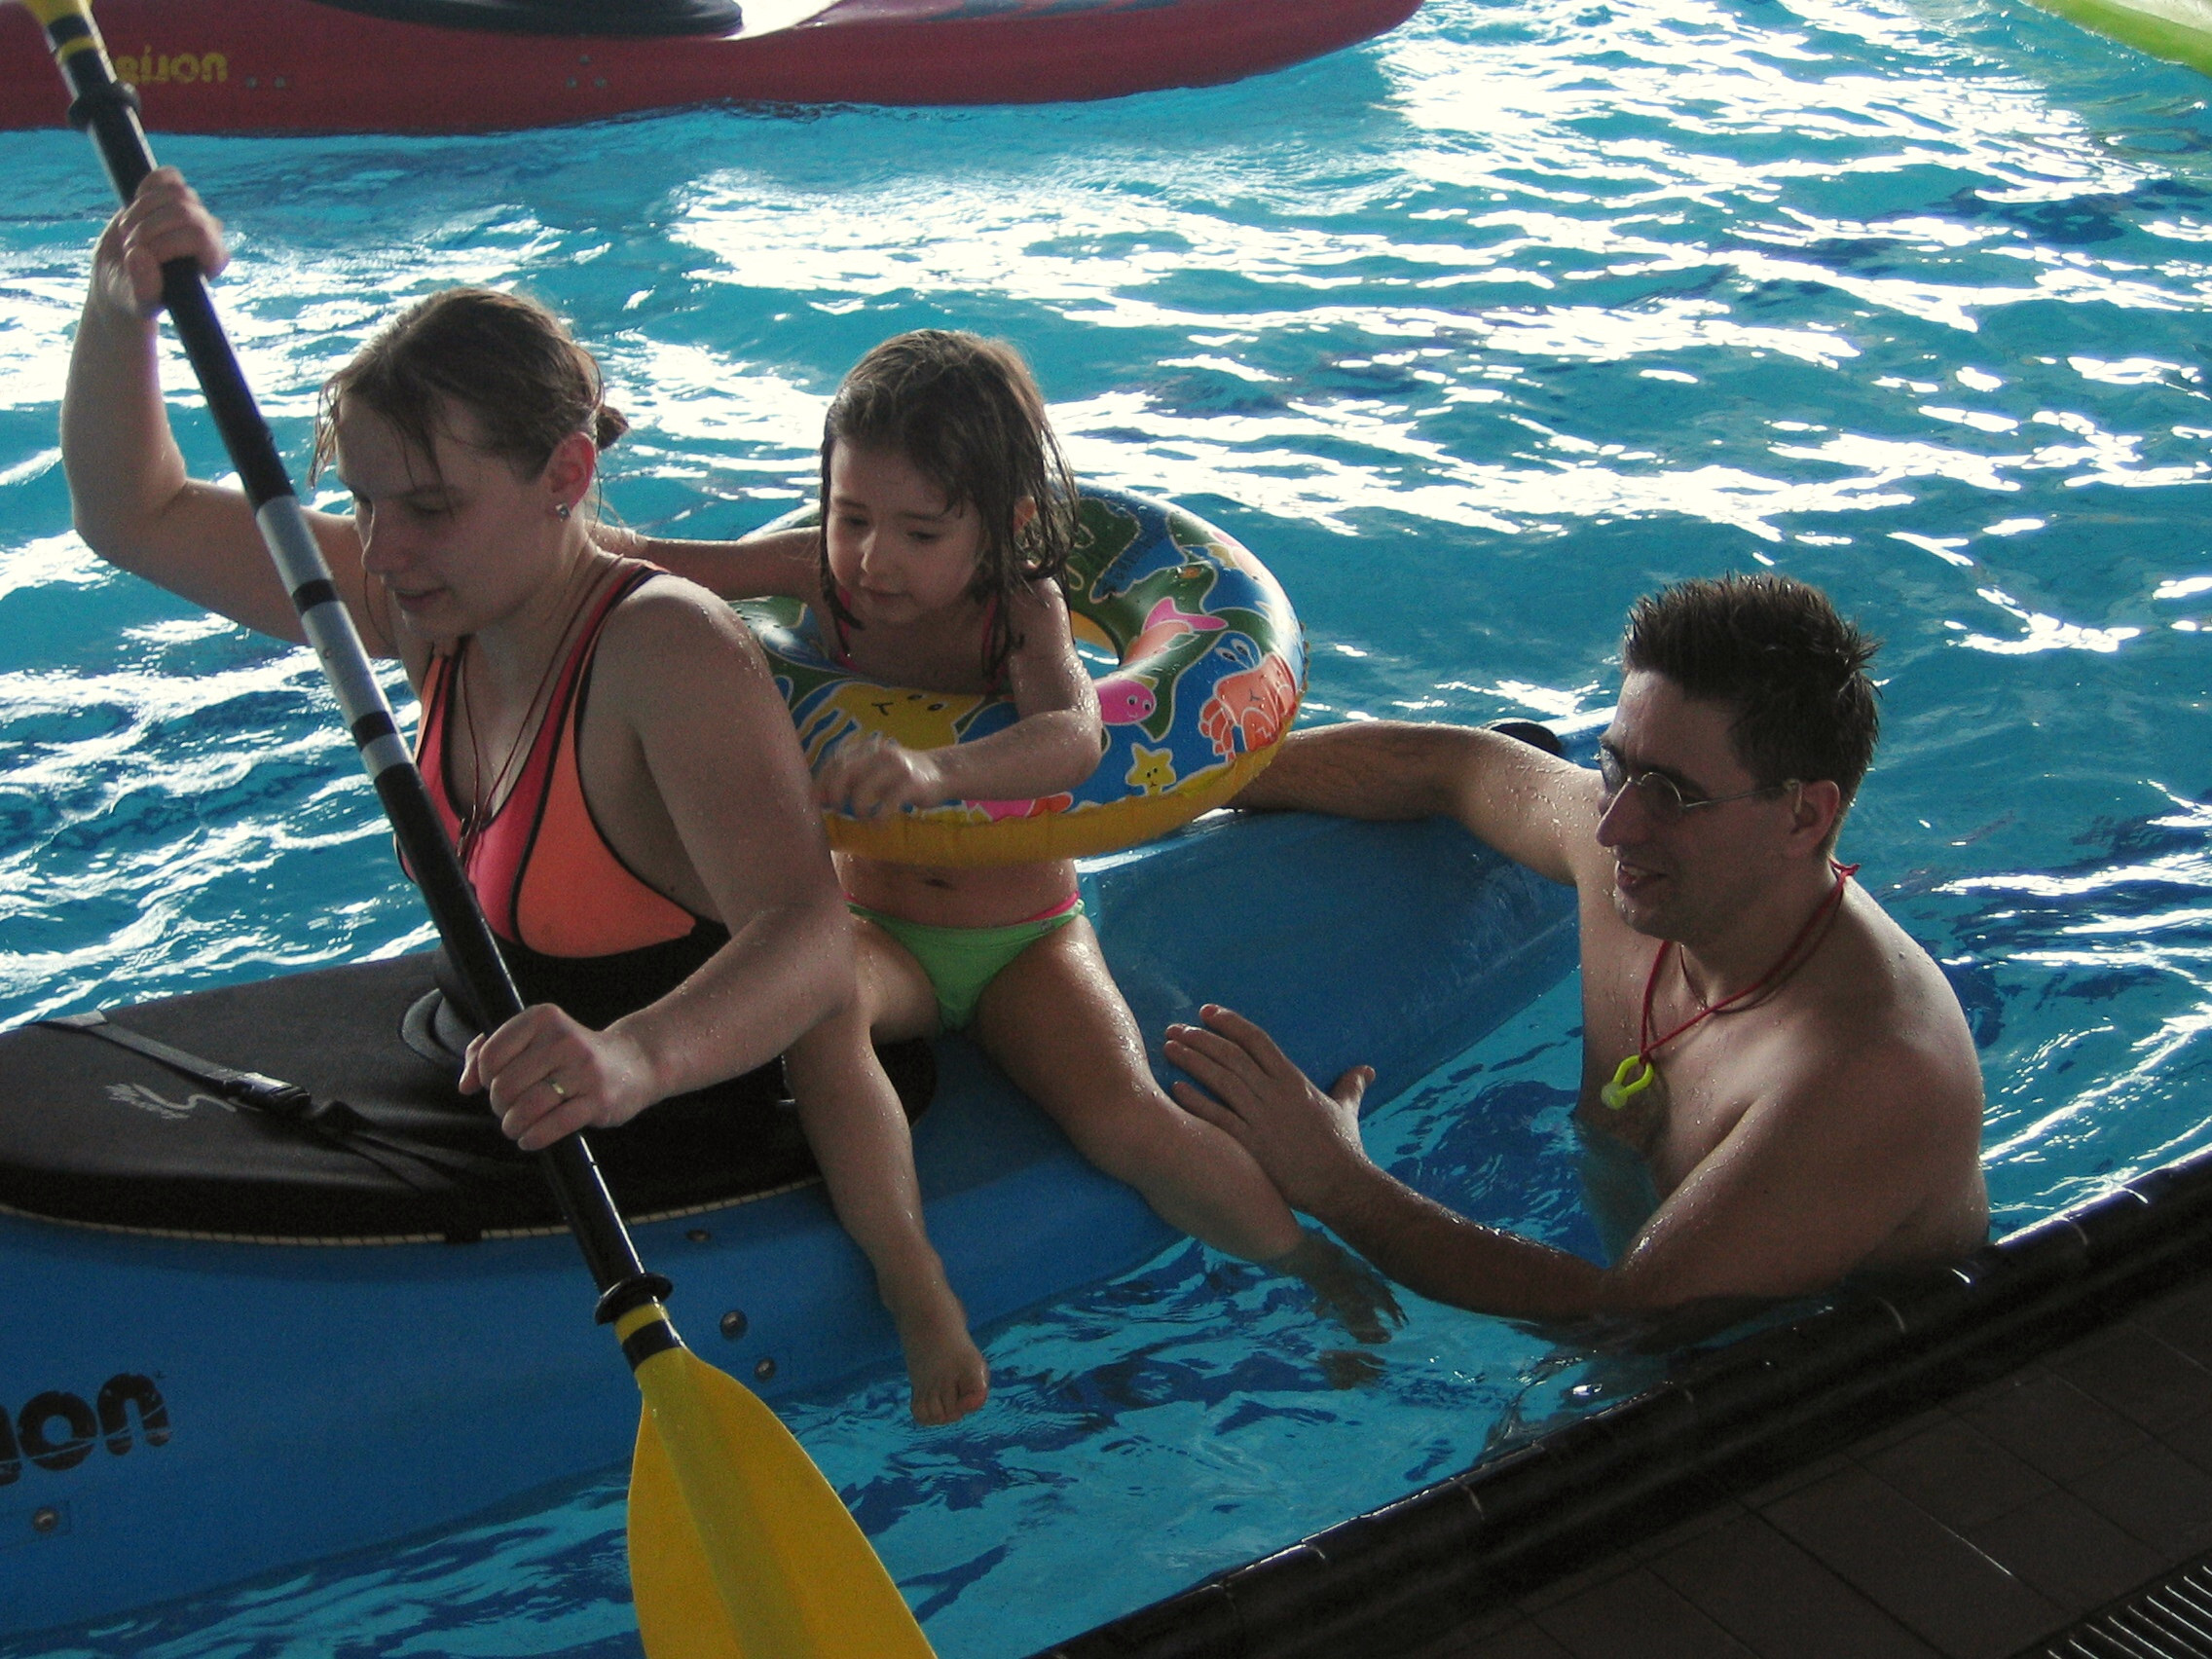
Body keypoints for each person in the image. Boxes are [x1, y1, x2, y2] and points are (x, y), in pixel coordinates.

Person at [59, 174, 852, 1262]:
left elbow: (810, 938)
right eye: (365, 502)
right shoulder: (438, 609)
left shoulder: (662, 648)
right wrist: (119, 306)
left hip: (678, 1110)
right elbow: (131, 513)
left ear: (566, 473)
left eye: (430, 508)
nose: (382, 551)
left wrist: (633, 1058)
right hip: (484, 1057)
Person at [649, 330, 1390, 1421]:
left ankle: (1317, 1269)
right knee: (815, 1007)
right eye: (851, 518)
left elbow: (1075, 736)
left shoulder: (1022, 609)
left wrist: (934, 770)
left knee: (1126, 1121)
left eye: (919, 531)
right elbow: (658, 568)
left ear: (999, 525)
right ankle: (914, 1283)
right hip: (879, 930)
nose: (872, 559)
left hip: (1024, 943)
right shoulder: (819, 578)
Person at [1162, 573, 1989, 1321]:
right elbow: (1454, 767)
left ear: (1804, 816)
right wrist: (1177, 793)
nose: (1612, 826)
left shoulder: (1869, 1071)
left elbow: (1628, 1316)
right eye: (1615, 767)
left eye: (1671, 795)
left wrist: (1336, 1181)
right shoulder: (1634, 863)